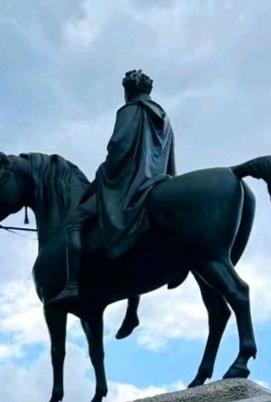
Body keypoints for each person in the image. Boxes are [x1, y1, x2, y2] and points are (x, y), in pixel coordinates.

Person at [49, 69, 176, 307]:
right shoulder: (164, 116)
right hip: (155, 180)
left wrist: (101, 175)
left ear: (128, 90)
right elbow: (169, 155)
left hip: (127, 183)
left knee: (75, 222)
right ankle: (131, 306)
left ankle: (72, 285)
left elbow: (118, 147)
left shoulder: (129, 110)